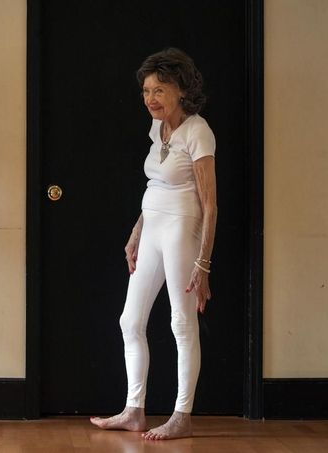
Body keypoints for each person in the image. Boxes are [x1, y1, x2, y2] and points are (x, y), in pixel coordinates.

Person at [90, 48, 217, 440]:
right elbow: (156, 186)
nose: (151, 98)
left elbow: (211, 205)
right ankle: (134, 409)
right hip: (153, 229)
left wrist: (204, 264)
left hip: (182, 231)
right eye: (146, 90)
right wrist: (135, 232)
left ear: (181, 90)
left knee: (181, 322)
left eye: (160, 89)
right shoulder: (156, 129)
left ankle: (182, 414)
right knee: (130, 321)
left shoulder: (197, 131)